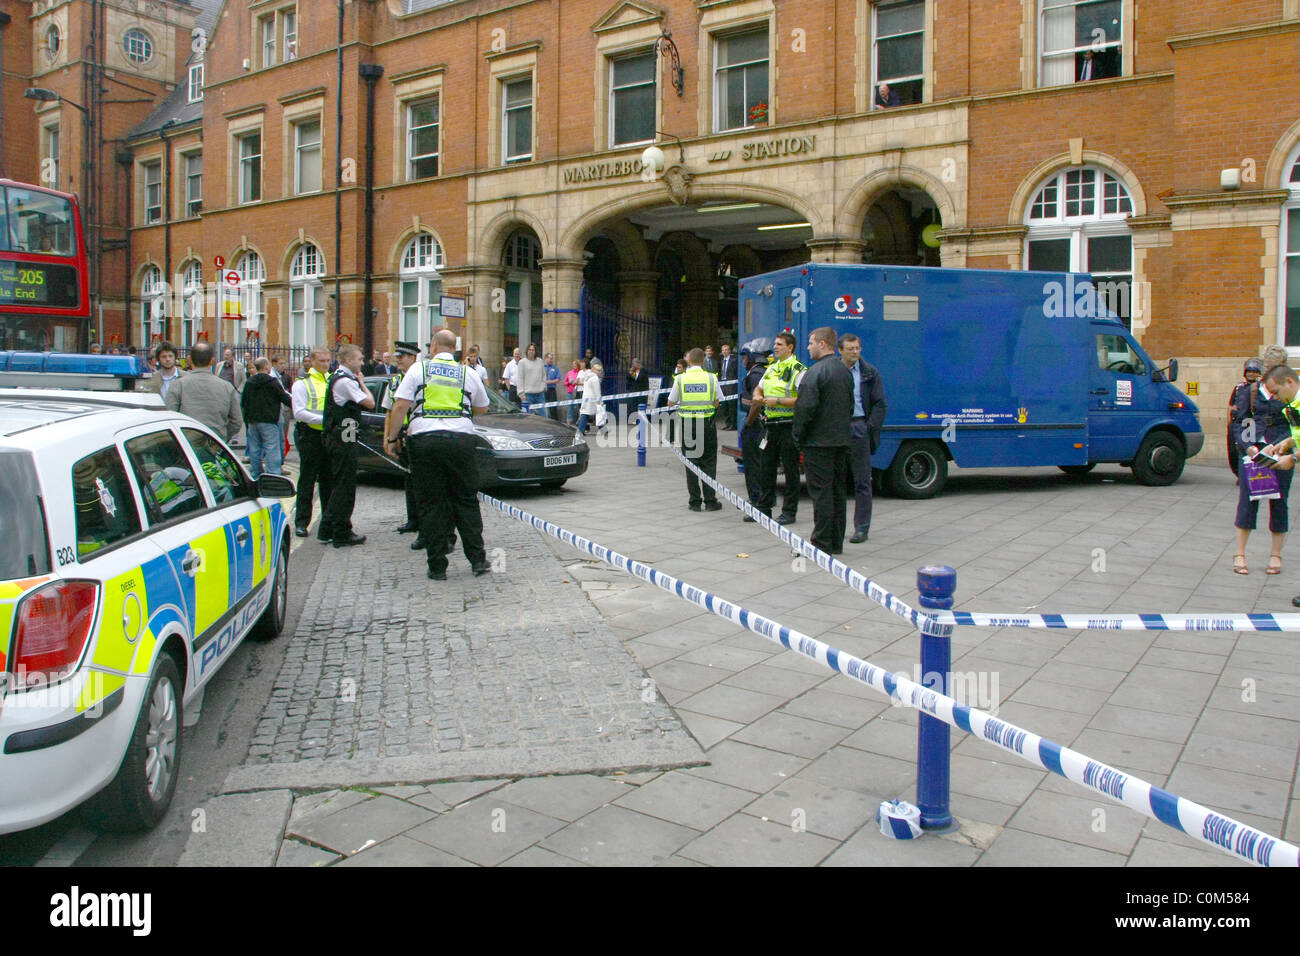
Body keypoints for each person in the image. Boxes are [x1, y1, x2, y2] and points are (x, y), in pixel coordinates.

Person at [389, 328, 492, 580]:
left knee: (431, 503)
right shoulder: (467, 372)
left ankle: (437, 566)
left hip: (425, 440)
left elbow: (401, 404)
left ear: (433, 347)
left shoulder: (418, 370)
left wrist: (392, 438)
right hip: (460, 439)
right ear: (454, 349)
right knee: (466, 500)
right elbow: (482, 407)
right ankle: (478, 561)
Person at [1230, 364, 1299, 574]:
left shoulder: (1292, 399)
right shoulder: (1249, 392)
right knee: (1248, 499)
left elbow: (1293, 426)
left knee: (1280, 500)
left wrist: (1288, 451)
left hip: (1280, 448)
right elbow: (1242, 421)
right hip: (1256, 450)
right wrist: (1248, 446)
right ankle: (1240, 554)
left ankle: (1276, 555)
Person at [793, 326, 854, 556]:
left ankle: (821, 543)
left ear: (822, 344)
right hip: (840, 440)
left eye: (810, 343)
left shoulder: (815, 372)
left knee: (821, 493)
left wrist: (798, 436)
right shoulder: (843, 371)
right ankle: (835, 541)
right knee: (838, 492)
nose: (808, 348)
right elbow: (849, 405)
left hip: (817, 443)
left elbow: (805, 408)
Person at [319, 344, 375, 547]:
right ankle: (341, 531)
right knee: (345, 485)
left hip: (343, 434)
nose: (362, 362)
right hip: (343, 437)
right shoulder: (345, 381)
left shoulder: (340, 378)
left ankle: (326, 529)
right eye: (359, 359)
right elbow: (369, 403)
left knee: (341, 483)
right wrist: (363, 384)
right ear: (348, 360)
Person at [840, 333, 888, 543]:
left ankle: (861, 527)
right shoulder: (834, 371)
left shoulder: (869, 372)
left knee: (862, 481)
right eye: (850, 349)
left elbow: (880, 403)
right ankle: (836, 525)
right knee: (837, 480)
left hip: (860, 426)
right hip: (838, 428)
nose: (855, 352)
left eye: (857, 348)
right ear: (840, 351)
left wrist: (869, 427)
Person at [754, 332, 806, 524]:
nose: (775, 347)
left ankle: (789, 511)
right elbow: (759, 387)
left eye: (779, 344)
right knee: (766, 468)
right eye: (775, 344)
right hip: (770, 425)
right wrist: (758, 396)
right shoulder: (771, 368)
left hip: (788, 425)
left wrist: (778, 401)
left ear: (790, 347)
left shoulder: (798, 370)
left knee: (791, 470)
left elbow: (803, 399)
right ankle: (763, 508)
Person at [668, 348, 723, 512]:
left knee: (691, 463)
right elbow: (718, 401)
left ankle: (695, 502)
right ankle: (711, 501)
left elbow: (671, 402)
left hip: (689, 426)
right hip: (707, 425)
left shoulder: (681, 379)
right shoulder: (712, 378)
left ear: (689, 361)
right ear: (704, 361)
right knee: (709, 463)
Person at [291, 347, 335, 537]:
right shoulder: (302, 384)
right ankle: (301, 522)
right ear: (312, 361)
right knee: (307, 479)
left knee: (328, 479)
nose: (325, 364)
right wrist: (326, 420)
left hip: (328, 435)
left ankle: (328, 522)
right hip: (309, 435)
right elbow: (299, 412)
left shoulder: (332, 380)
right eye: (321, 361)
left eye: (328, 361)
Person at [164, 341, 242, 442]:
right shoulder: (227, 387)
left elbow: (170, 415)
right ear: (212, 361)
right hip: (215, 442)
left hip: (187, 442)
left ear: (190, 360)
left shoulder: (178, 385)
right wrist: (222, 438)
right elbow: (236, 421)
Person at [384, 342, 423, 535]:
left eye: (402, 356)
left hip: (417, 435)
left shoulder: (422, 378)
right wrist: (388, 438)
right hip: (401, 435)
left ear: (413, 358)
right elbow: (390, 412)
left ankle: (425, 521)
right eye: (397, 356)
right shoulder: (394, 382)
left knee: (421, 481)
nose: (397, 359)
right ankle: (413, 519)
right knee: (408, 479)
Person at [241, 356, 292, 478]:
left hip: (253, 420)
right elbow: (284, 398)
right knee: (271, 448)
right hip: (269, 420)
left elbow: (244, 403)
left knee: (255, 448)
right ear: (266, 367)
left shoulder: (249, 383)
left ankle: (256, 472)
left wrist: (246, 419)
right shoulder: (272, 382)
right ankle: (273, 474)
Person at [739, 346, 771, 520]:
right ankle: (763, 499)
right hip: (761, 425)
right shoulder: (762, 372)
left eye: (745, 357)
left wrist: (749, 422)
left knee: (753, 465)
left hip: (756, 426)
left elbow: (756, 403)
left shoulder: (755, 375)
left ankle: (757, 502)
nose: (743, 360)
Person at [1228, 359, 1264, 477]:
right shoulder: (1239, 387)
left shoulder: (1260, 388)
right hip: (1237, 423)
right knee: (1234, 450)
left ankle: (1248, 474)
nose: (1251, 374)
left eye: (1254, 371)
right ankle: (1239, 474)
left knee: (1247, 450)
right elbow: (1231, 406)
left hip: (1251, 424)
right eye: (1249, 371)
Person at [517, 343, 547, 414]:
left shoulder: (540, 361)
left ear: (535, 351)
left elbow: (544, 376)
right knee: (528, 418)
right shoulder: (522, 362)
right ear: (527, 351)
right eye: (529, 350)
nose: (531, 351)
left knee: (544, 416)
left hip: (540, 394)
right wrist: (521, 394)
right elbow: (520, 379)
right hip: (528, 395)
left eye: (533, 350)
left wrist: (544, 386)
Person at [576, 360, 603, 435]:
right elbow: (597, 391)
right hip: (593, 399)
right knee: (599, 413)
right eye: (599, 370)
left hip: (586, 398)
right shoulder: (595, 378)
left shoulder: (587, 377)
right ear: (595, 370)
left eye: (600, 370)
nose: (600, 372)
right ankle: (603, 430)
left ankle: (580, 430)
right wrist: (600, 401)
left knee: (585, 414)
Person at [718, 343, 739, 430]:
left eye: (726, 350)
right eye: (723, 350)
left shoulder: (734, 360)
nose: (724, 351)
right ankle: (728, 423)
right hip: (723, 385)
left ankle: (733, 424)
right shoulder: (721, 360)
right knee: (724, 405)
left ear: (729, 351)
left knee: (731, 406)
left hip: (731, 385)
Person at [544, 352, 562, 421]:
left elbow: (558, 379)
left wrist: (549, 382)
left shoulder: (555, 368)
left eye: (552, 359)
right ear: (546, 358)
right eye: (550, 358)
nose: (551, 360)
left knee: (553, 408)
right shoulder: (542, 367)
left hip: (551, 390)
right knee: (544, 408)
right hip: (543, 390)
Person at [565, 359, 583, 425]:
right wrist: (569, 383)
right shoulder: (569, 372)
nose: (574, 366)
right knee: (570, 408)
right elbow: (565, 383)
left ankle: (580, 422)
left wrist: (576, 382)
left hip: (578, 392)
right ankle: (569, 423)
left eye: (575, 365)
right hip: (570, 392)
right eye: (573, 365)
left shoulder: (580, 373)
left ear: (578, 365)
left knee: (579, 407)